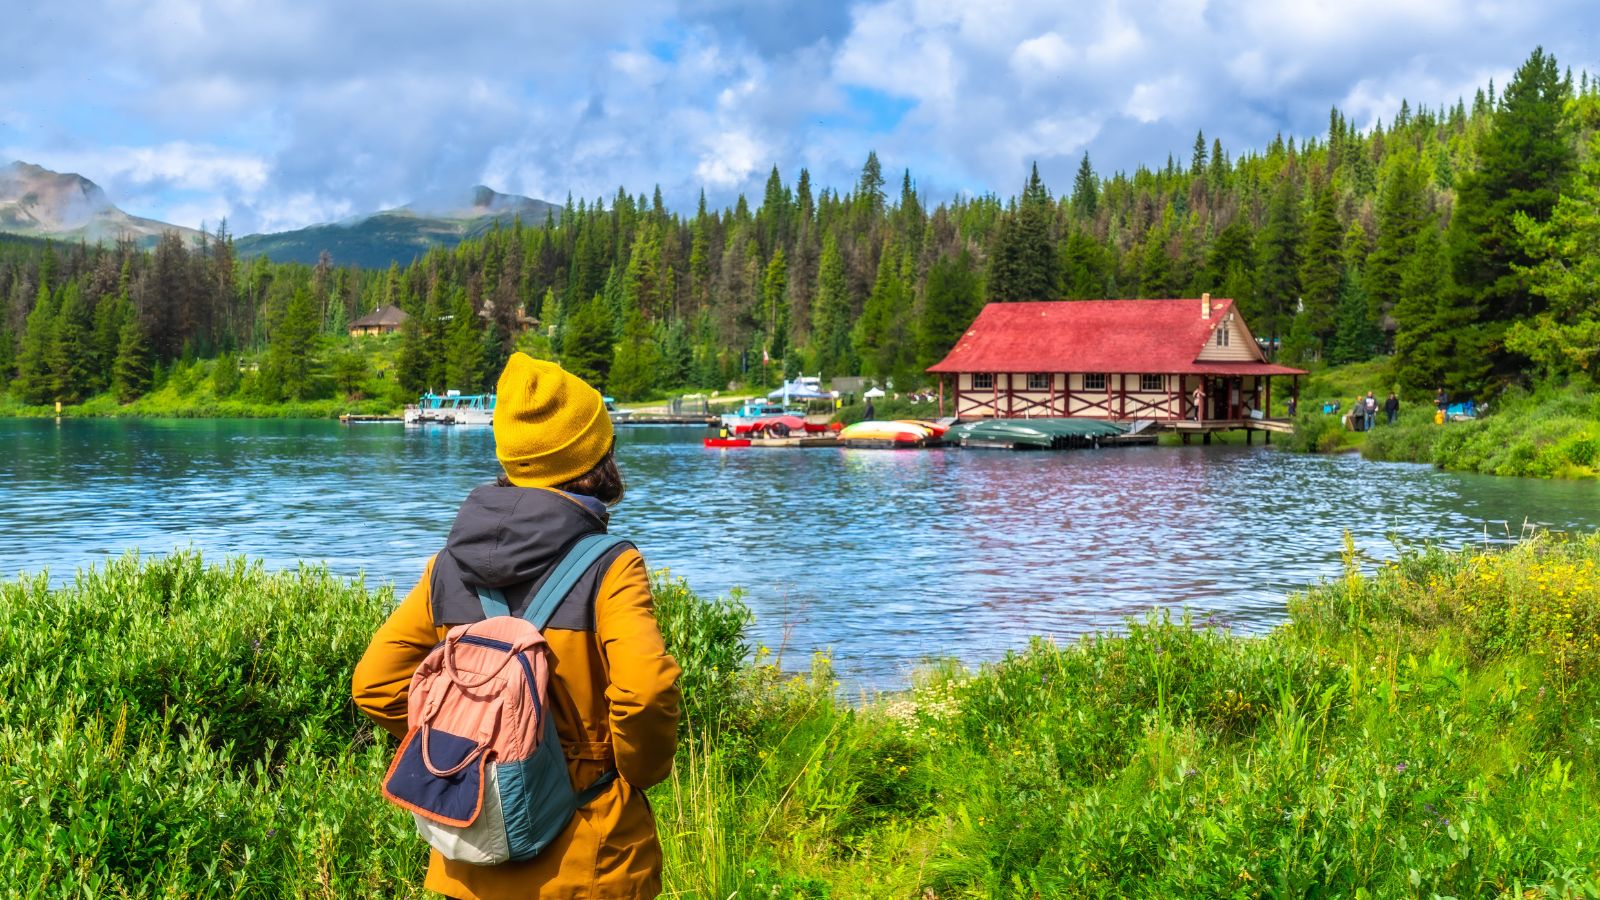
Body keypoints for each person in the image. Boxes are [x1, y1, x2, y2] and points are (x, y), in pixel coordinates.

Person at [353, 353, 682, 900]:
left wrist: (470, 751)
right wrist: (635, 774)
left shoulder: (448, 565)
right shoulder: (611, 564)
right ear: (597, 455)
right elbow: (646, 692)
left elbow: (375, 684)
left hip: (470, 863)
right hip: (590, 860)